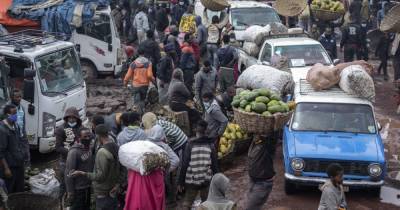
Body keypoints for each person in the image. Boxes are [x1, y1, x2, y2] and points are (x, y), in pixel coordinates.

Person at [71, 125, 121, 210]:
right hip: (113, 189)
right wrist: (118, 184)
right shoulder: (116, 147)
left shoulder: (102, 152)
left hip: (104, 191)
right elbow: (122, 169)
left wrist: (83, 173)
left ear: (97, 135)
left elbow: (100, 176)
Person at [178, 120, 219, 210]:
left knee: (188, 202)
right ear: (206, 131)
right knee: (206, 202)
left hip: (192, 180)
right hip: (206, 179)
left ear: (195, 130)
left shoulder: (190, 144)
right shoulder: (210, 144)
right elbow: (214, 165)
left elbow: (184, 164)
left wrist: (180, 182)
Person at [55, 107, 83, 201]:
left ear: (77, 118)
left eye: (73, 117)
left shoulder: (80, 128)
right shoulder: (61, 129)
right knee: (64, 183)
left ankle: (74, 201)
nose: (71, 119)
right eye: (69, 117)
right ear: (66, 118)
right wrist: (71, 152)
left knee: (77, 182)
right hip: (65, 161)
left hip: (79, 161)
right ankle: (60, 202)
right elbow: (58, 147)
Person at [65, 128, 94, 210]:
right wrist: (70, 191)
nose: (88, 138)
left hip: (87, 186)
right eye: (85, 137)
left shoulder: (89, 148)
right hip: (78, 189)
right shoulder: (74, 152)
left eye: (89, 136)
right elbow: (69, 172)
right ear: (79, 138)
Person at [245, 135, 275, 210]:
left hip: (263, 183)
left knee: (250, 208)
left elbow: (273, 132)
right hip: (253, 180)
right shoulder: (255, 143)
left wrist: (267, 134)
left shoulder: (268, 145)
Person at [0, 104, 25, 193]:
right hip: (10, 166)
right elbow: (1, 152)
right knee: (10, 190)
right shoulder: (2, 130)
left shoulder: (16, 125)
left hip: (19, 163)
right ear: (8, 115)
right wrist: (6, 168)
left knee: (20, 188)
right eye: (14, 113)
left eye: (16, 113)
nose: (16, 115)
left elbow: (19, 142)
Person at [123, 47, 155, 114]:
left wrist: (125, 83)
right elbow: (149, 75)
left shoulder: (133, 63)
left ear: (138, 53)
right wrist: (153, 81)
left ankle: (138, 115)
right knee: (142, 100)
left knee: (136, 102)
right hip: (145, 85)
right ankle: (142, 113)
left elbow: (127, 76)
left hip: (135, 86)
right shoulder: (148, 63)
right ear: (144, 53)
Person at [9, 89, 29, 168]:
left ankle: (27, 169)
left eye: (20, 96)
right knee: (17, 155)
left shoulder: (22, 108)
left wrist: (24, 133)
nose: (19, 98)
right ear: (12, 98)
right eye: (16, 97)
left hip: (22, 134)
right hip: (13, 136)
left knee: (26, 152)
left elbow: (23, 122)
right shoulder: (8, 108)